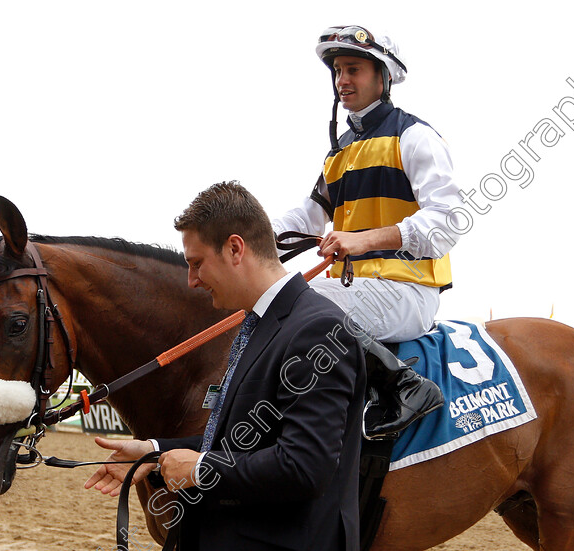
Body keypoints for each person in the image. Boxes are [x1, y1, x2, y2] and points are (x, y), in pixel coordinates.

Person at [85, 181, 366, 551]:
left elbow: (304, 466)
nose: (192, 280)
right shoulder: (256, 325)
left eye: (196, 263)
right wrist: (153, 452)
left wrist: (200, 470)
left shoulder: (316, 328)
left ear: (235, 248)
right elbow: (238, 438)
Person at [272, 25, 465, 439]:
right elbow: (306, 218)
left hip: (407, 290)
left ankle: (405, 385)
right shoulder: (340, 151)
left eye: (353, 69)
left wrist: (365, 239)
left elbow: (449, 221)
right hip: (356, 290)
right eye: (338, 70)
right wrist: (242, 238)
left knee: (300, 303)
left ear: (384, 76)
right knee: (271, 300)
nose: (342, 80)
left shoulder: (415, 137)